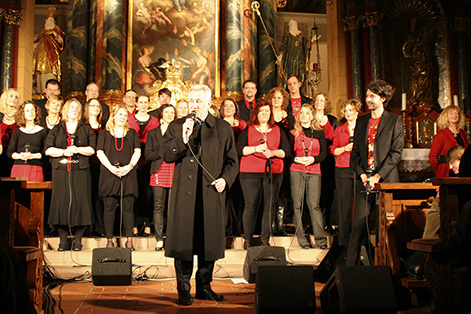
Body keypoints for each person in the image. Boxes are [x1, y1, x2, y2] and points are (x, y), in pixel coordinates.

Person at [162, 84, 238, 305]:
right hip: (183, 195)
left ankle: (204, 287)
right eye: (191, 100)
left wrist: (225, 179)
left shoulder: (222, 128)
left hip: (210, 192)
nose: (194, 105)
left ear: (208, 102)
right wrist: (182, 139)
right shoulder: (177, 126)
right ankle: (183, 288)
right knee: (184, 242)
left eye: (198, 101)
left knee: (209, 242)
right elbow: (166, 155)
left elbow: (232, 161)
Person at [346, 80, 403, 266]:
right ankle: (349, 270)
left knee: (383, 227)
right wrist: (362, 174)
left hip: (385, 180)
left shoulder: (394, 120)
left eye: (373, 96)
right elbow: (355, 153)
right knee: (358, 226)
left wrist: (378, 176)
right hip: (364, 180)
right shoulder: (362, 121)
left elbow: (396, 153)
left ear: (383, 98)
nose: (368, 99)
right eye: (367, 96)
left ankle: (384, 269)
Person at [237, 101, 290, 249]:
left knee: (269, 206)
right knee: (251, 205)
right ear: (256, 114)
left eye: (267, 111)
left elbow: (286, 151)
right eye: (261, 111)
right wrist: (256, 148)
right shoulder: (248, 130)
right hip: (249, 173)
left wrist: (273, 152)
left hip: (273, 173)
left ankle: (265, 239)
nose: (264, 113)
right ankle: (247, 239)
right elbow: (239, 149)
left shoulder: (278, 130)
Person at [45, 99, 96, 251]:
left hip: (80, 171)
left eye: (77, 108)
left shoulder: (85, 129)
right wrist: (63, 152)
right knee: (60, 204)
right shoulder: (57, 129)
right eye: (71, 107)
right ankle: (63, 241)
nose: (74, 109)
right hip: (60, 171)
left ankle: (78, 241)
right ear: (65, 110)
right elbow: (48, 149)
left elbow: (92, 149)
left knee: (81, 203)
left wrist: (77, 149)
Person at [96, 105, 141, 249]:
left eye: (124, 115)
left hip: (128, 173)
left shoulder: (132, 133)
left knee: (128, 207)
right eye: (120, 114)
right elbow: (99, 152)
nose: (122, 117)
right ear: (113, 116)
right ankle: (109, 240)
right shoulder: (104, 134)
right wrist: (111, 168)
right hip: (109, 174)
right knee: (109, 207)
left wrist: (129, 167)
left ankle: (129, 240)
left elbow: (137, 151)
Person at [289, 103, 327, 249]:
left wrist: (313, 159)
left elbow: (324, 153)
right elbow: (288, 153)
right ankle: (302, 240)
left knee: (314, 205)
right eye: (301, 113)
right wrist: (297, 159)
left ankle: (321, 240)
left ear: (312, 116)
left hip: (314, 170)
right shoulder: (293, 132)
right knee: (297, 205)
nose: (304, 115)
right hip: (297, 170)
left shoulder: (320, 133)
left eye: (307, 113)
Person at [145, 104, 176, 251]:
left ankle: (171, 238)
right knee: (158, 206)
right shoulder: (153, 133)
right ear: (161, 114)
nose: (169, 114)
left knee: (173, 207)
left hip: (174, 170)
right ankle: (159, 239)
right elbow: (148, 154)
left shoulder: (178, 131)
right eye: (167, 112)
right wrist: (164, 152)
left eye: (172, 112)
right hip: (158, 170)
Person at [332, 99, 361, 248]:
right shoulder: (339, 129)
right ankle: (344, 240)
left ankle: (358, 238)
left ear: (356, 111)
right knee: (344, 206)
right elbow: (333, 150)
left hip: (358, 169)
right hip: (343, 168)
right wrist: (345, 148)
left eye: (351, 110)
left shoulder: (363, 128)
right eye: (346, 110)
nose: (348, 113)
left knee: (359, 206)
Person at [129, 95, 159, 236]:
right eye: (140, 102)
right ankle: (134, 223)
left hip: (149, 161)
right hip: (132, 160)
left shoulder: (154, 121)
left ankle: (147, 222)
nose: (143, 104)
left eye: (145, 102)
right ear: (136, 103)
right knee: (134, 192)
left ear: (149, 104)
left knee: (148, 194)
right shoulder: (129, 120)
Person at [219, 97, 247, 236]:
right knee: (225, 197)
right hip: (223, 163)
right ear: (222, 109)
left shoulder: (242, 124)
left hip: (240, 162)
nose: (229, 108)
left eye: (231, 106)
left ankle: (238, 227)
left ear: (236, 109)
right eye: (226, 106)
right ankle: (225, 227)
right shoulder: (218, 124)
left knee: (238, 196)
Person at [314, 92, 339, 234]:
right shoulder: (310, 119)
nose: (318, 102)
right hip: (314, 158)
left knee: (328, 190)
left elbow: (336, 140)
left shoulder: (333, 120)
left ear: (326, 104)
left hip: (328, 159)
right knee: (315, 192)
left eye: (321, 100)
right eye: (317, 100)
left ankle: (328, 222)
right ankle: (315, 224)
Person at [7, 102, 48, 181]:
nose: (30, 112)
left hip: (35, 168)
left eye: (32, 110)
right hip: (19, 168)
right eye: (27, 110)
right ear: (23, 113)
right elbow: (10, 152)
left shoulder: (43, 131)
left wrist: (32, 156)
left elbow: (45, 152)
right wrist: (20, 156)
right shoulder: (17, 132)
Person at [83, 98, 105, 236]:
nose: (95, 108)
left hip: (101, 165)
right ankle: (86, 226)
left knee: (99, 196)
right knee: (86, 195)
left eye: (98, 106)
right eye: (92, 105)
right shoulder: (82, 126)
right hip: (85, 165)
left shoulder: (104, 126)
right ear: (87, 108)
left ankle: (99, 226)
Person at [429, 105, 469, 178]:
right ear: (446, 117)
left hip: (463, 170)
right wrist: (439, 170)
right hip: (446, 170)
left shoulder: (464, 134)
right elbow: (432, 157)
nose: (454, 115)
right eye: (451, 113)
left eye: (457, 113)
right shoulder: (441, 135)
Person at [32, 7, 65, 93]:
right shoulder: (43, 31)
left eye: (51, 19)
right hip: (42, 57)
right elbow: (38, 41)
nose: (49, 21)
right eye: (48, 19)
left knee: (50, 73)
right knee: (41, 74)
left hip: (51, 57)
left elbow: (61, 40)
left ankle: (51, 91)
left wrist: (56, 36)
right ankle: (42, 91)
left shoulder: (56, 29)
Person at [278, 19, 308, 89]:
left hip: (299, 59)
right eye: (290, 25)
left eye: (292, 25)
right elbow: (283, 46)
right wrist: (280, 56)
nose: (291, 26)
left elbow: (306, 45)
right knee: (289, 75)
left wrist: (312, 41)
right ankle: (287, 90)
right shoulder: (287, 35)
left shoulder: (301, 36)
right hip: (290, 60)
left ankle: (301, 91)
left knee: (302, 74)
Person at [0, 88, 21, 177]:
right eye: (11, 96)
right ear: (5, 98)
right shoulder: (0, 115)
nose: (14, 99)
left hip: (15, 154)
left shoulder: (20, 116)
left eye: (16, 97)